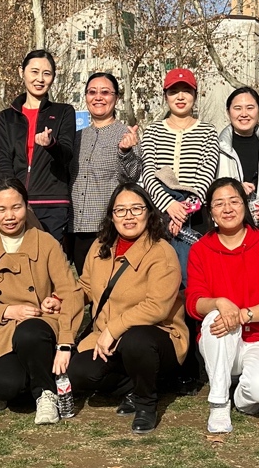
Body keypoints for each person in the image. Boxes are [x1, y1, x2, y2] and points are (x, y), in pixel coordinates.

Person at [67, 183, 188, 434]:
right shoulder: (100, 246)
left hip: (157, 336)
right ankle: (140, 383)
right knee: (79, 373)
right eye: (120, 210)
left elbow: (157, 306)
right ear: (111, 216)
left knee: (136, 340)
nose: (128, 216)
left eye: (136, 209)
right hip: (108, 337)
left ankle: (146, 402)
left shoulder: (161, 252)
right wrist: (63, 299)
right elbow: (86, 286)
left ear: (149, 212)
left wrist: (114, 328)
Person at [0, 178, 83, 423]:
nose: (9, 216)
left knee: (30, 332)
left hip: (41, 324)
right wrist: (7, 311)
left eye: (16, 207)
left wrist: (64, 339)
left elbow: (70, 291)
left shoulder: (46, 243)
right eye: (1, 209)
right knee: (3, 386)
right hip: (3, 330)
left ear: (27, 207)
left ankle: (45, 394)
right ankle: (30, 378)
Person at [186, 178, 259, 434]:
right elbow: (193, 302)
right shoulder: (201, 249)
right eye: (219, 204)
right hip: (220, 339)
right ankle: (219, 402)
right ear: (210, 212)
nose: (227, 209)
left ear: (245, 205)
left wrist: (245, 315)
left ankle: (241, 398)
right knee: (215, 317)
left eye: (234, 201)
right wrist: (219, 302)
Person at [139, 68, 220, 281]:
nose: (180, 97)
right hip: (160, 211)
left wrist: (183, 211)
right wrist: (169, 205)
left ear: (195, 95)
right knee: (160, 273)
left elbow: (206, 174)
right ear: (165, 96)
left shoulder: (208, 131)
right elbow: (148, 172)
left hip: (195, 213)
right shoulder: (152, 131)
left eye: (186, 91)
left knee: (194, 273)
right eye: (174, 92)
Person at [0, 50, 77, 246]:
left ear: (53, 77)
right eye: (34, 72)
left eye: (46, 73)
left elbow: (67, 155)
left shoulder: (64, 112)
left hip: (52, 204)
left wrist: (51, 145)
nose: (40, 79)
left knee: (48, 259)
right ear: (21, 72)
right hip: (16, 204)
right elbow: (4, 161)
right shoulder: (7, 117)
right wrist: (10, 198)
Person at [70, 71, 142, 271]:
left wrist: (125, 152)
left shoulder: (126, 134)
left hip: (108, 227)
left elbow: (133, 177)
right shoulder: (76, 137)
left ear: (116, 98)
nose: (98, 97)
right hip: (76, 227)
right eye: (92, 92)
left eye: (105, 92)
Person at [216, 86, 259, 231]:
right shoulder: (216, 148)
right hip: (227, 228)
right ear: (228, 112)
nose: (244, 114)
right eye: (237, 108)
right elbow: (208, 187)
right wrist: (234, 188)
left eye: (250, 108)